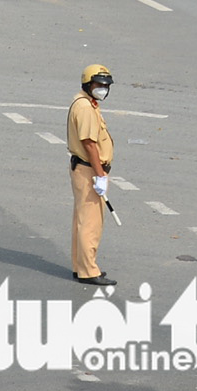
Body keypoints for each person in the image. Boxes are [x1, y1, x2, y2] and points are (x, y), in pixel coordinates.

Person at [67, 65, 116, 288]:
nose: (103, 89)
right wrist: (100, 175)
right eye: (99, 85)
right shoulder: (85, 108)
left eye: (106, 86)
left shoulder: (85, 103)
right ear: (88, 84)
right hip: (89, 170)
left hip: (84, 169)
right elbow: (89, 143)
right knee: (91, 223)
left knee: (82, 220)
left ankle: (81, 266)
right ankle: (88, 270)